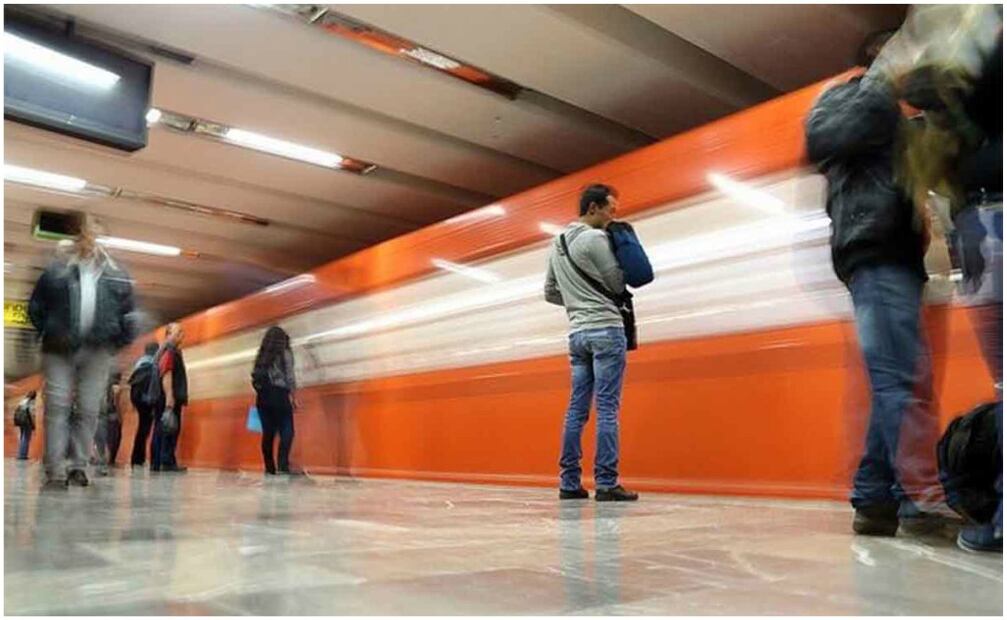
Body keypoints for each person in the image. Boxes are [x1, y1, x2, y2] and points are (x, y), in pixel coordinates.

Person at [805, 35, 947, 536]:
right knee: (902, 383)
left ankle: (874, 497)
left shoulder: (896, 120)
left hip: (898, 256)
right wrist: (883, 80)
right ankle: (921, 498)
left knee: (898, 381)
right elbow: (823, 139)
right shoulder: (846, 99)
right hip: (874, 249)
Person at [28, 215, 136, 490]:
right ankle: (55, 471)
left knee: (89, 409)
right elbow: (36, 307)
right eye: (84, 233)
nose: (88, 237)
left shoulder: (116, 273)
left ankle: (78, 466)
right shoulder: (56, 270)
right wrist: (50, 331)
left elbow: (128, 313)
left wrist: (115, 342)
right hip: (58, 347)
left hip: (97, 349)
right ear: (76, 237)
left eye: (93, 232)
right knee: (57, 406)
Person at [544, 184, 638, 502]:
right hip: (606, 330)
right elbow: (616, 283)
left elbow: (549, 292)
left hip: (577, 335)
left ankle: (569, 483)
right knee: (608, 408)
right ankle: (607, 483)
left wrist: (576, 302)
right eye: (611, 209)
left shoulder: (556, 243)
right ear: (593, 208)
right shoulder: (596, 238)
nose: (613, 215)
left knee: (576, 409)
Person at [251, 326, 298, 475]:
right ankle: (283, 465)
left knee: (268, 433)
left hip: (262, 397)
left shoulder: (261, 354)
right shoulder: (285, 353)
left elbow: (254, 376)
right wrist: (293, 397)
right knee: (287, 431)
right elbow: (290, 377)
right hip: (280, 395)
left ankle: (269, 468)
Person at [150, 323, 188, 473]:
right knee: (169, 428)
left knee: (160, 428)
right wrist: (170, 397)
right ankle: (166, 462)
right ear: (168, 334)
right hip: (166, 396)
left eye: (182, 332)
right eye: (178, 332)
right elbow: (167, 372)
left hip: (160, 396)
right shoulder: (170, 350)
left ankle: (157, 462)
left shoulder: (162, 350)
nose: (181, 335)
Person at [129, 342, 160, 468]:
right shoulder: (152, 363)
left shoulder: (139, 363)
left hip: (138, 400)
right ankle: (138, 458)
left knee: (142, 428)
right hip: (147, 401)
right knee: (144, 429)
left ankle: (137, 458)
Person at [93, 371, 124, 475]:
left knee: (101, 434)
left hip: (101, 410)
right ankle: (106, 458)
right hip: (109, 411)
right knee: (111, 435)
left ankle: (102, 456)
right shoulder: (114, 384)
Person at [13, 391, 38, 460]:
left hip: (21, 421)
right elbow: (32, 414)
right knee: (26, 438)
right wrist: (34, 424)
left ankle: (20, 454)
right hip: (27, 422)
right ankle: (22, 455)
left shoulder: (23, 401)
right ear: (34, 396)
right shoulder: (31, 402)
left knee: (22, 438)